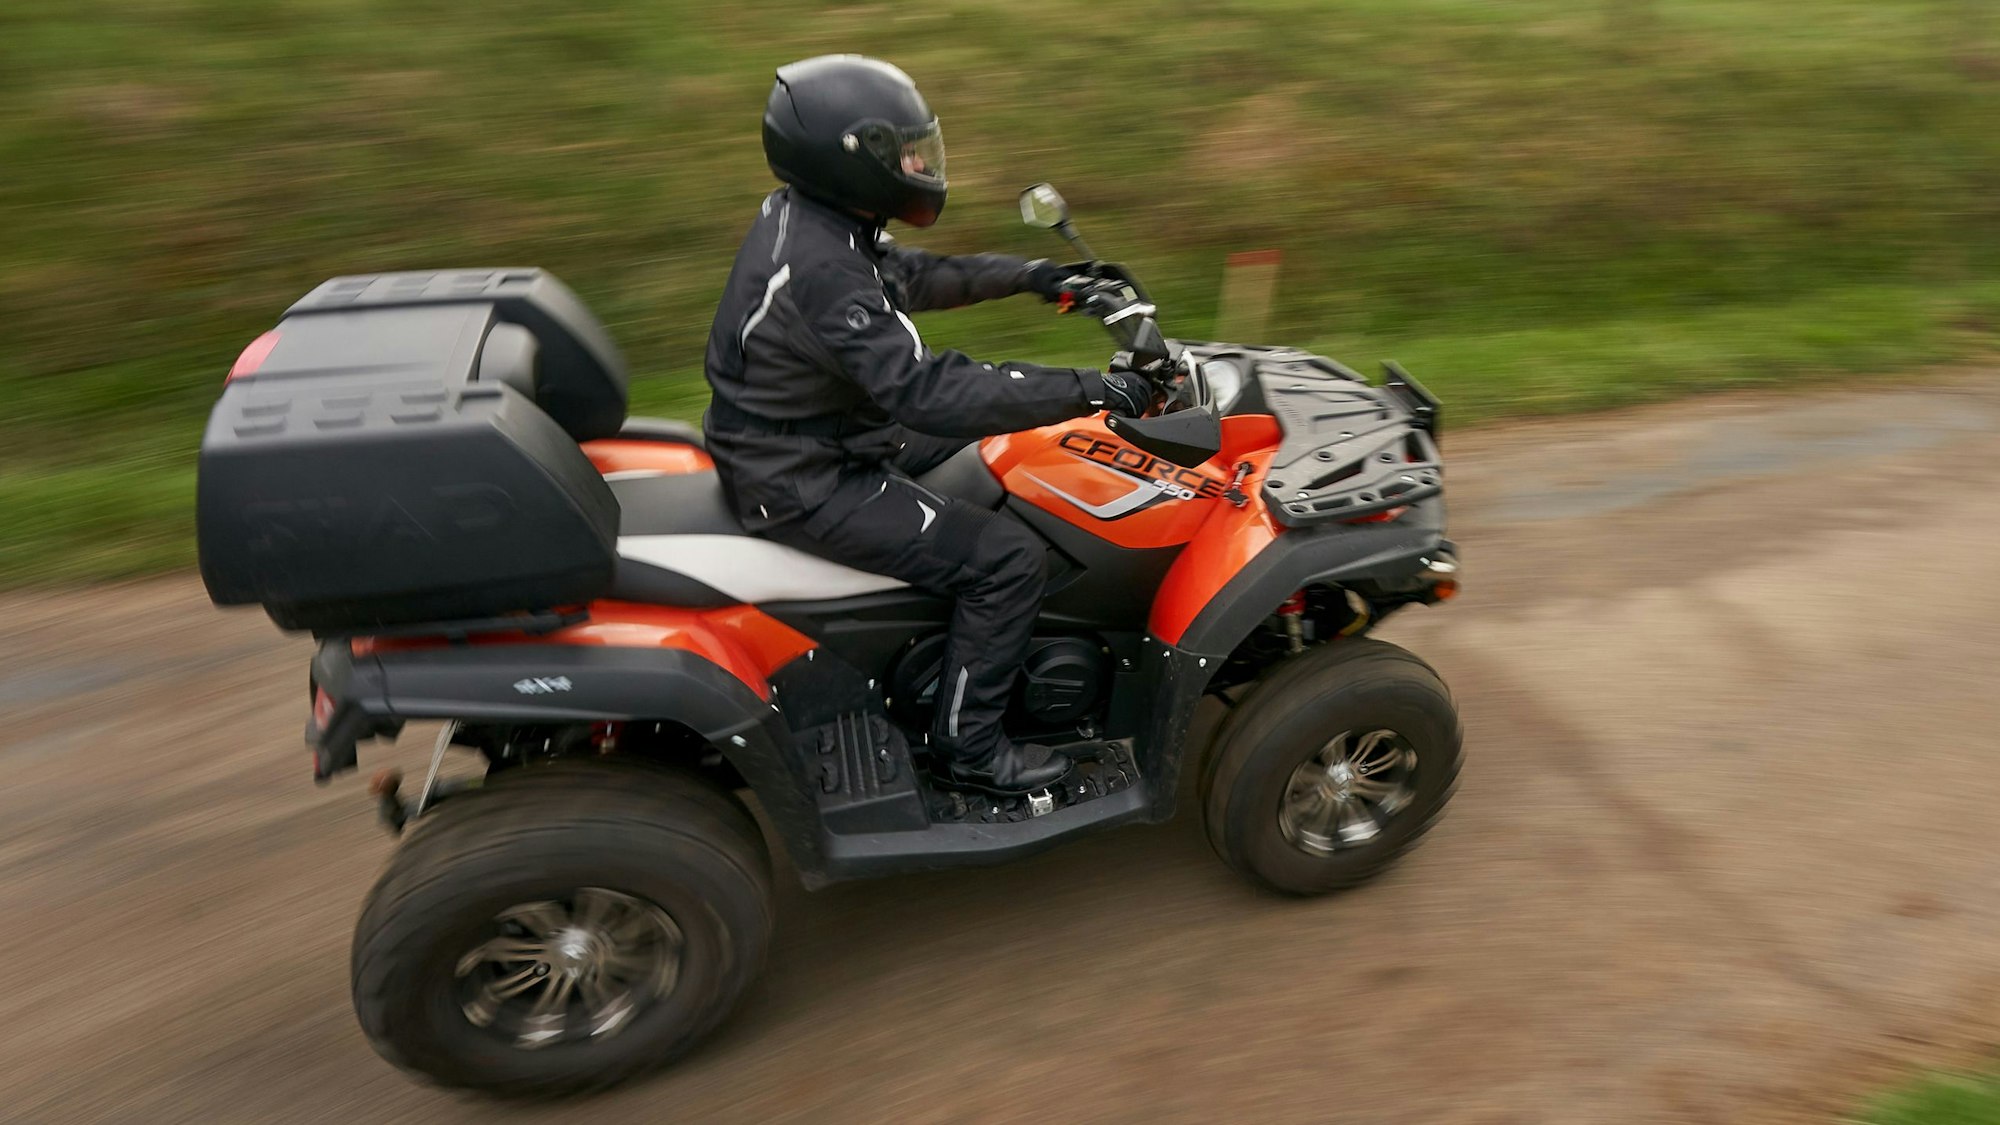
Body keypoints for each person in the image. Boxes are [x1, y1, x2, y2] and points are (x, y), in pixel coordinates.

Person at [701, 55, 1156, 795]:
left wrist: (1038, 277)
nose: (920, 164)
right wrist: (1095, 389)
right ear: (848, 159)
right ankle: (971, 745)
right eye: (904, 153)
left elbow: (907, 278)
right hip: (802, 478)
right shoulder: (823, 271)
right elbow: (927, 392)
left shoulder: (814, 220)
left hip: (818, 432)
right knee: (1007, 559)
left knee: (1008, 439)